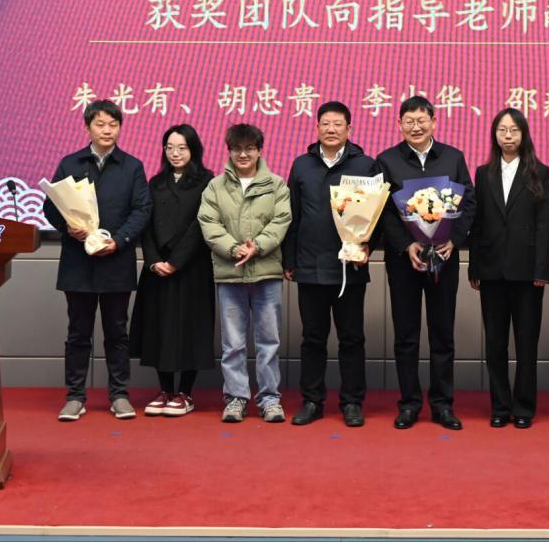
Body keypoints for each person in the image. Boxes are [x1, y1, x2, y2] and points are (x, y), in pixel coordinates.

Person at [44, 99, 152, 422]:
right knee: (78, 333)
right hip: (78, 263)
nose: (107, 130)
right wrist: (68, 227)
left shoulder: (132, 167)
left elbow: (142, 210)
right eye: (100, 124)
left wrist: (118, 240)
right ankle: (75, 396)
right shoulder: (70, 163)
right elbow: (51, 207)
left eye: (113, 125)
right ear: (87, 127)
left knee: (117, 333)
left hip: (116, 261)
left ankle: (119, 395)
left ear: (120, 128)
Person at [375, 96, 476, 430]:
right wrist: (407, 245)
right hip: (404, 260)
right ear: (399, 124)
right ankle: (409, 404)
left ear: (434, 122)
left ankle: (442, 404)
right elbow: (383, 211)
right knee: (406, 335)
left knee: (442, 333)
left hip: (444, 258)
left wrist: (454, 240)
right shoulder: (387, 160)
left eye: (422, 120)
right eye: (409, 121)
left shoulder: (453, 157)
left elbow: (469, 203)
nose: (415, 127)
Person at [282, 101, 381, 428]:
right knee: (313, 338)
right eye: (325, 123)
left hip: (349, 267)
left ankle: (352, 402)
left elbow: (378, 217)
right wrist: (290, 259)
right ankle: (312, 400)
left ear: (349, 129)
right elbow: (292, 216)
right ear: (317, 128)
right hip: (310, 266)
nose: (331, 129)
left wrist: (367, 247)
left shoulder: (365, 165)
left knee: (352, 338)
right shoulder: (301, 165)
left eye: (338, 124)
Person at [197, 123, 292, 423]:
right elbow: (209, 223)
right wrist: (233, 248)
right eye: (237, 149)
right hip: (230, 274)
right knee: (233, 344)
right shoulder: (215, 187)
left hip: (266, 273)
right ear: (229, 151)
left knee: (269, 341)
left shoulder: (276, 185)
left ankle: (269, 399)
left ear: (259, 151)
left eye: (249, 148)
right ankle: (236, 398)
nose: (243, 154)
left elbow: (282, 220)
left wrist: (258, 246)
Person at [468, 108, 549, 429]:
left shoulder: (539, 171)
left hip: (527, 272)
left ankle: (524, 408)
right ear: (494, 135)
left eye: (514, 130)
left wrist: (542, 269)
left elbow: (544, 224)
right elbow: (477, 224)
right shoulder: (483, 173)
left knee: (526, 343)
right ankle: (500, 407)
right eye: (502, 130)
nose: (508, 135)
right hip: (491, 271)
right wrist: (474, 267)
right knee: (495, 344)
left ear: (524, 134)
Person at [129, 124, 215, 418]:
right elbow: (144, 223)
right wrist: (153, 260)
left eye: (182, 147)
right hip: (157, 269)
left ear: (194, 150)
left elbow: (202, 224)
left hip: (191, 267)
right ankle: (165, 390)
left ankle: (186, 393)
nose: (175, 153)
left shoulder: (207, 181)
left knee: (191, 328)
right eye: (169, 147)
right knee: (159, 328)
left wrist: (176, 261)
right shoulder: (155, 183)